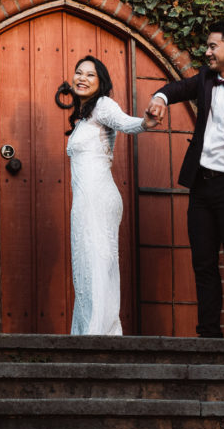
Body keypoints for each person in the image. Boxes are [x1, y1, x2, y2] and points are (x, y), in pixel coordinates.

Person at [146, 19, 224, 338]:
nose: (207, 52)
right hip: (201, 186)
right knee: (203, 262)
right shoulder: (204, 79)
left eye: (213, 46)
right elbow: (176, 89)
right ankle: (208, 333)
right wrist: (160, 99)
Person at [59, 55, 158, 335]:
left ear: (101, 82)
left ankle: (98, 334)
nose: (82, 78)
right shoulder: (83, 117)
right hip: (85, 198)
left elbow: (126, 123)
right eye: (79, 73)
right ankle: (89, 332)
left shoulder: (103, 105)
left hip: (98, 197)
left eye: (90, 75)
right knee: (87, 263)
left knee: (96, 262)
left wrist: (145, 123)